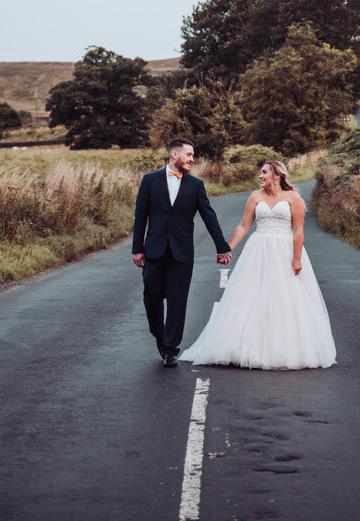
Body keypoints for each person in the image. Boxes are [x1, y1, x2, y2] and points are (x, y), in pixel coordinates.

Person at [180, 160, 337, 369]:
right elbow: (244, 226)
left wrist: (297, 258)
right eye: (261, 173)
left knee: (283, 298)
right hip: (258, 250)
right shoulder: (255, 196)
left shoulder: (293, 198)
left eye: (264, 172)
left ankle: (283, 349)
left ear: (277, 175)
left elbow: (299, 231)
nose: (260, 176)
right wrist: (227, 248)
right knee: (250, 296)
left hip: (285, 250)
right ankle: (244, 346)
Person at [132, 137, 232, 367]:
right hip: (154, 250)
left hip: (182, 252)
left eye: (193, 156)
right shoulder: (150, 181)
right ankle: (160, 335)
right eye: (189, 155)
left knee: (178, 301)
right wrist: (137, 249)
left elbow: (209, 215)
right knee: (152, 297)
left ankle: (170, 349)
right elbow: (140, 216)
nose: (192, 159)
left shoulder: (196, 185)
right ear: (174, 155)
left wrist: (222, 245)